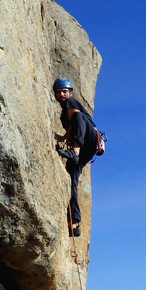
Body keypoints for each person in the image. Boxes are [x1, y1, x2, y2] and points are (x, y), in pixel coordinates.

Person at [52, 77, 98, 237]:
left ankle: (74, 152)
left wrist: (72, 146)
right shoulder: (65, 112)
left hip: (90, 139)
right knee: (71, 179)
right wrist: (64, 138)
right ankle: (75, 223)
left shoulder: (71, 103)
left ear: (70, 92)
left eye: (64, 91)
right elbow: (72, 126)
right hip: (85, 148)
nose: (61, 95)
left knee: (78, 117)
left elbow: (77, 119)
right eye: (58, 92)